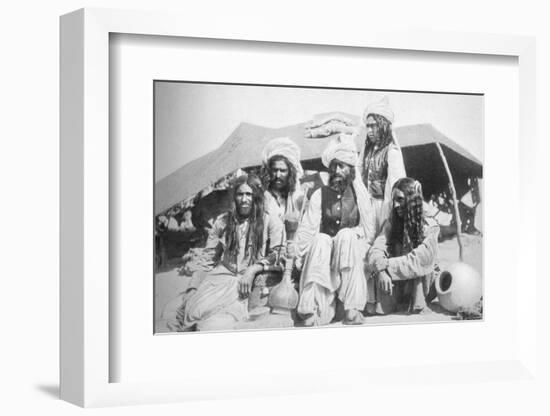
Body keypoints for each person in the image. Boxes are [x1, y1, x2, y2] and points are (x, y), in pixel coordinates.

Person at [173, 174, 283, 331]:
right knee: (192, 313)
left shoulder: (269, 221)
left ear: (256, 197)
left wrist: (253, 269)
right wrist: (193, 288)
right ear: (235, 196)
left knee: (214, 324)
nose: (244, 199)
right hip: (220, 279)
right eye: (240, 194)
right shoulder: (223, 221)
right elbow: (207, 259)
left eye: (248, 194)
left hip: (244, 284)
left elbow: (277, 254)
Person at [295, 137, 370, 326]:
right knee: (320, 239)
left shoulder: (359, 195)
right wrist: (299, 255)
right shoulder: (320, 195)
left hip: (351, 251)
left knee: (347, 235)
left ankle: (352, 307)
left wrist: (355, 236)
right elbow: (308, 229)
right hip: (326, 253)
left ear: (351, 170)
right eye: (334, 166)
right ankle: (313, 306)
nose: (337, 171)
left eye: (342, 166)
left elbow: (369, 229)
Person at [366, 178, 439, 314]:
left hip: (421, 284)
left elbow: (418, 261)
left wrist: (385, 266)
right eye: (394, 200)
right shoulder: (392, 223)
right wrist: (381, 271)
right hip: (397, 279)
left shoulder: (430, 226)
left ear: (411, 200)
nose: (395, 205)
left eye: (400, 199)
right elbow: (376, 249)